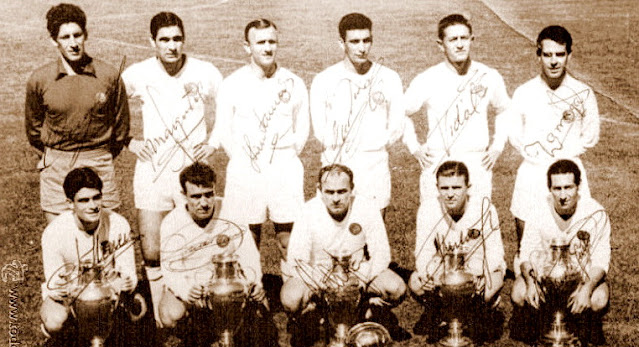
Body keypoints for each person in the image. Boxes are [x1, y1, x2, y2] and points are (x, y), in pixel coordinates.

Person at [122, 12, 223, 326]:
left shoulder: (205, 72)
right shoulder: (138, 73)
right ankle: (160, 318)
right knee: (152, 249)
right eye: (164, 39)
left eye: (177, 38)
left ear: (184, 39)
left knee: (193, 243)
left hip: (192, 177)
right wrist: (128, 140)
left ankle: (203, 311)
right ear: (152, 42)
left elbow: (232, 107)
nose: (171, 46)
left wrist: (215, 141)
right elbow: (108, 105)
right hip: (153, 172)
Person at [208, 19, 309, 277]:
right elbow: (223, 129)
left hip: (284, 169)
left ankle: (294, 297)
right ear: (247, 46)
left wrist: (281, 157)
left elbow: (302, 130)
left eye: (271, 41)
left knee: (289, 239)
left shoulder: (293, 82)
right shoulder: (232, 83)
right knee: (245, 239)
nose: (267, 48)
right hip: (245, 171)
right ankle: (252, 295)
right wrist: (246, 159)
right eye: (260, 42)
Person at [25, 3, 130, 224]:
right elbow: (34, 129)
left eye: (77, 35)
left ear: (86, 35)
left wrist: (98, 155)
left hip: (99, 162)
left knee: (105, 242)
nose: (73, 43)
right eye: (65, 37)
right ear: (54, 40)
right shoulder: (40, 79)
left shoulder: (109, 75)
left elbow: (120, 129)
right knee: (61, 237)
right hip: (57, 166)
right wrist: (54, 157)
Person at [281, 164, 408, 344]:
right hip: (319, 276)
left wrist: (361, 279)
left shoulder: (367, 207)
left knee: (396, 288)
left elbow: (382, 254)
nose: (335, 198)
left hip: (357, 274)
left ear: (351, 190)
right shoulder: (308, 211)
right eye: (329, 192)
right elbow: (296, 259)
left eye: (341, 191)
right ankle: (317, 313)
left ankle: (365, 310)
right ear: (319, 190)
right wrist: (324, 282)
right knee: (291, 297)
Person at [159, 163, 273, 347]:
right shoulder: (172, 222)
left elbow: (249, 255)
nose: (204, 202)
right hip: (194, 287)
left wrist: (253, 283)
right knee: (170, 314)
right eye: (196, 196)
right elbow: (170, 270)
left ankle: (232, 329)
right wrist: (187, 291)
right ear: (183, 195)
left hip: (228, 285)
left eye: (208, 194)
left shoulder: (232, 210)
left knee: (263, 312)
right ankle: (198, 331)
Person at [509, 25, 599, 261]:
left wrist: (564, 156)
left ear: (569, 54)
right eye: (547, 54)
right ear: (538, 54)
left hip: (569, 172)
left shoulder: (583, 92)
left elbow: (590, 135)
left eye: (560, 54)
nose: (554, 61)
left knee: (577, 247)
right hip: (532, 171)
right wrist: (539, 156)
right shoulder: (523, 93)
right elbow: (515, 135)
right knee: (528, 251)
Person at [404, 14, 510, 204]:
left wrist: (497, 147)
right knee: (435, 226)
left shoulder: (488, 75)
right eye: (453, 39)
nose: (460, 45)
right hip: (438, 160)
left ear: (472, 40)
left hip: (477, 161)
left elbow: (505, 109)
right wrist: (414, 147)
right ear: (440, 44)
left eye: (464, 38)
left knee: (477, 225)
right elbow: (400, 112)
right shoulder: (427, 78)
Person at [310, 13, 404, 214]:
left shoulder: (389, 77)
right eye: (354, 42)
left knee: (374, 237)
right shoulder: (324, 80)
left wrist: (373, 145)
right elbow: (320, 130)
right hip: (337, 166)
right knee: (333, 237)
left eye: (366, 40)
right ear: (341, 43)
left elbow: (396, 125)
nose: (362, 48)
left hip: (374, 166)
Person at [39, 167, 137, 347]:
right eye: (83, 200)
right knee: (55, 320)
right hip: (71, 297)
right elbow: (54, 285)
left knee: (135, 312)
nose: (93, 205)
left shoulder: (117, 223)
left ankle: (103, 337)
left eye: (96, 198)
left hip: (109, 295)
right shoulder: (54, 232)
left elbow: (129, 274)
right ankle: (55, 335)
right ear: (70, 203)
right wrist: (91, 288)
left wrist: (123, 283)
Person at [511, 159, 610, 346]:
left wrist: (586, 289)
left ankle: (580, 325)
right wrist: (531, 283)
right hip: (545, 281)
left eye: (568, 187)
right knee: (519, 292)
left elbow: (601, 260)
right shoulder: (537, 211)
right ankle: (543, 324)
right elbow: (526, 254)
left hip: (580, 281)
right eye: (557, 188)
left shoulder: (596, 213)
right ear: (549, 189)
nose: (563, 195)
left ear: (578, 186)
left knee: (599, 298)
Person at [408, 161, 505, 342]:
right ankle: (442, 313)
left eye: (456, 187)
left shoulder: (485, 208)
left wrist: (478, 275)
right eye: (444, 188)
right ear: (437, 188)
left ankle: (476, 314)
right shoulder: (428, 209)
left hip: (476, 269)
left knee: (494, 280)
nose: (450, 194)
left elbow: (496, 252)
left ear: (468, 187)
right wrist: (426, 273)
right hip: (445, 268)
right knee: (415, 281)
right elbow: (422, 251)